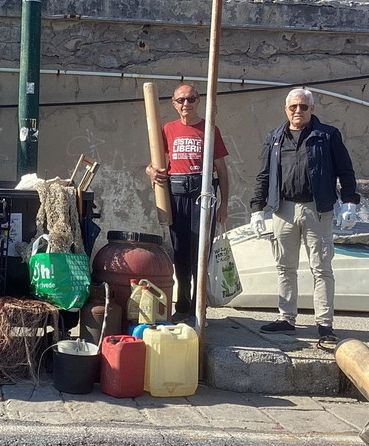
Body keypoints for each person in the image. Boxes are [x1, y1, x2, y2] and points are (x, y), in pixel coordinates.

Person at [250, 87, 359, 341]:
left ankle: (324, 324)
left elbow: (345, 169)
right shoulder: (275, 138)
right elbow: (263, 175)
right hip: (283, 209)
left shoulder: (328, 136)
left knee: (321, 268)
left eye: (303, 106)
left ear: (312, 108)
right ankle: (286, 318)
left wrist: (350, 202)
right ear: (286, 109)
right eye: (293, 107)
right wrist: (257, 208)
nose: (298, 111)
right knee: (284, 266)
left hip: (317, 208)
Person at [146, 84, 230, 323]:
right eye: (181, 100)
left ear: (198, 101)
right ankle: (182, 305)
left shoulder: (210, 129)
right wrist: (150, 172)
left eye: (190, 99)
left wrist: (224, 205)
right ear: (174, 103)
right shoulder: (167, 129)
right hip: (177, 193)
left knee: (200, 253)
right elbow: (154, 163)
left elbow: (222, 171)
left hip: (203, 194)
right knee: (180, 252)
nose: (186, 104)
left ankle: (197, 307)